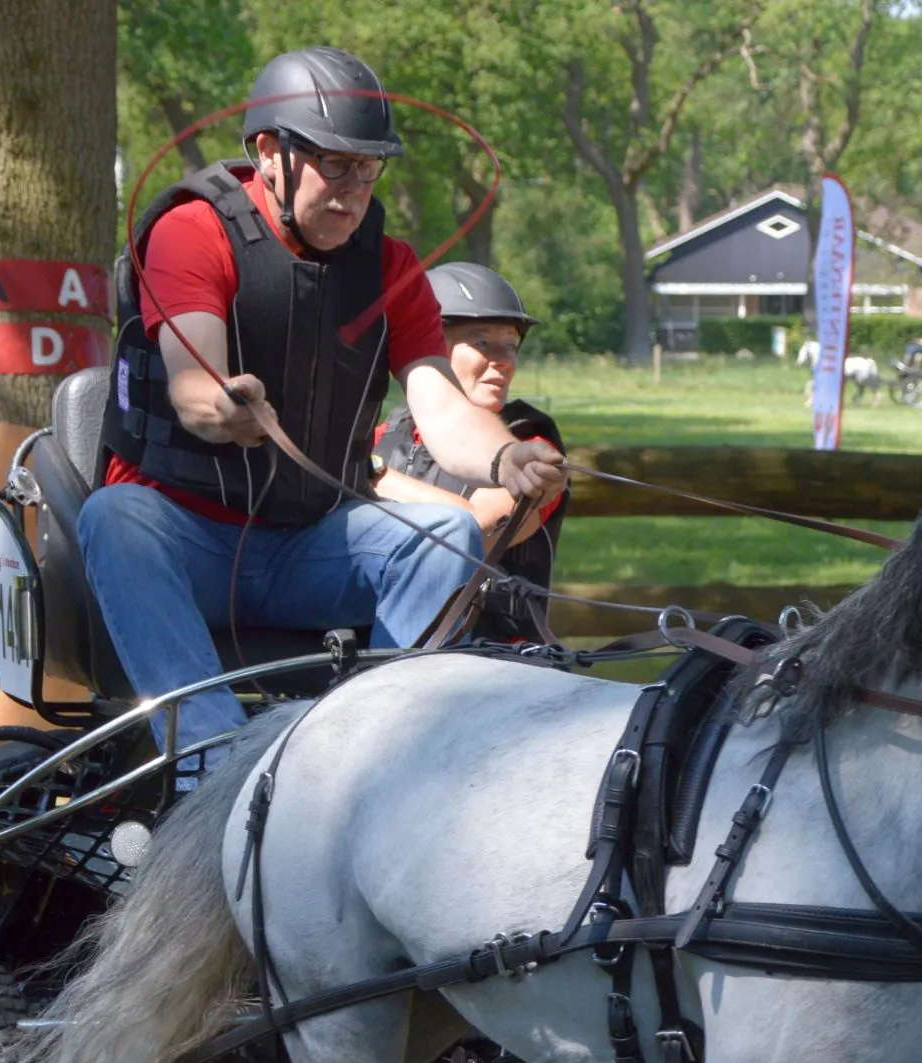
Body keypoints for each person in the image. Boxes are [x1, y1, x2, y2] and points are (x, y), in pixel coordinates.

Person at [85, 46, 564, 753]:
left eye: (369, 171)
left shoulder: (391, 266)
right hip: (186, 541)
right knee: (113, 516)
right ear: (268, 152)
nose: (353, 190)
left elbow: (440, 408)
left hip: (311, 543)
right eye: (335, 165)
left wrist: (505, 455)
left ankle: (369, 758)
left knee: (449, 536)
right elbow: (193, 384)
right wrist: (224, 404)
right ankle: (210, 766)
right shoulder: (193, 231)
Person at [372, 262, 567, 645]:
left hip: (497, 662)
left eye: (510, 345)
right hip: (384, 637)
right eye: (483, 343)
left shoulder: (532, 445)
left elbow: (474, 532)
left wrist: (371, 475)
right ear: (430, 346)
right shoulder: (384, 435)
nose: (505, 361)